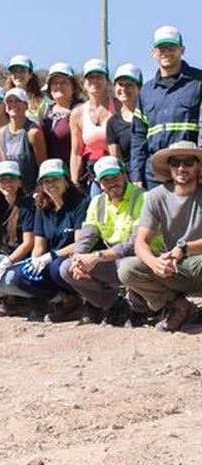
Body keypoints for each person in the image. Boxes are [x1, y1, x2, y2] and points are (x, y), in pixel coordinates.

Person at [118, 141, 202, 332]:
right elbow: (140, 242)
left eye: (188, 162)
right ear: (169, 167)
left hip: (197, 260)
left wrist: (184, 248)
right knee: (127, 269)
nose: (181, 168)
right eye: (175, 163)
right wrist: (154, 263)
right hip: (174, 266)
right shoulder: (156, 196)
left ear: (198, 166)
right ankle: (179, 306)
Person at [59, 156, 147, 326]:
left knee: (127, 268)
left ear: (124, 174)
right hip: (112, 258)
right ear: (99, 184)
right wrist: (78, 258)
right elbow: (87, 237)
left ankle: (140, 309)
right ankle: (114, 305)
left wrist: (97, 257)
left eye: (115, 176)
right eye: (105, 179)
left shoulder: (142, 198)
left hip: (141, 257)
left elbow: (134, 243)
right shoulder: (97, 202)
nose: (111, 183)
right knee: (67, 268)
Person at [11, 159, 88, 321]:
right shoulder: (42, 207)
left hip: (71, 258)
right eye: (46, 181)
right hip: (51, 259)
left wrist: (51, 256)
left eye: (55, 179)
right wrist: (34, 262)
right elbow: (39, 245)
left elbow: (81, 243)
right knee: (19, 276)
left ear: (66, 180)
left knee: (55, 268)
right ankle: (63, 301)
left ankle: (81, 299)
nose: (51, 184)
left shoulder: (80, 203)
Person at [129, 25, 202, 190]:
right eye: (162, 47)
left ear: (182, 50)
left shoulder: (198, 82)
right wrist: (136, 175)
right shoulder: (146, 91)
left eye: (171, 47)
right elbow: (138, 137)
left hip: (190, 171)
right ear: (153, 52)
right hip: (155, 175)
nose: (166, 52)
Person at [0, 161, 37, 317]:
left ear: (19, 182)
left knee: (9, 279)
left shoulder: (27, 205)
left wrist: (7, 262)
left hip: (27, 258)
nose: (7, 183)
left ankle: (32, 298)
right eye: (2, 180)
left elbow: (28, 243)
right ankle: (7, 301)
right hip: (9, 255)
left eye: (11, 179)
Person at [69, 58, 114, 193]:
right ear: (84, 83)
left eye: (99, 77)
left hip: (118, 171)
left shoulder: (118, 107)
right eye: (90, 77)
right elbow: (76, 152)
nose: (94, 81)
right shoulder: (77, 113)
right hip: (94, 174)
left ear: (107, 81)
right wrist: (75, 183)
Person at [0, 87, 46, 192]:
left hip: (31, 191)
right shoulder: (1, 133)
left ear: (26, 105)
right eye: (9, 101)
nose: (13, 104)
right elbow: (4, 165)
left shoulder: (33, 133)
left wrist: (39, 191)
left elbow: (42, 165)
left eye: (18, 101)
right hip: (11, 190)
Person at [40, 62, 83, 167]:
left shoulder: (82, 111)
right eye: (54, 83)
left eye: (64, 82)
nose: (59, 86)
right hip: (49, 174)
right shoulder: (44, 112)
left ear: (73, 87)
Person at [107, 63, 143, 170]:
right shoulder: (113, 122)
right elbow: (116, 159)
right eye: (120, 84)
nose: (124, 89)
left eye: (129, 85)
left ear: (139, 88)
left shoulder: (149, 115)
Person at [5, 55, 48, 121]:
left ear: (30, 75)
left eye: (22, 71)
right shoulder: (4, 99)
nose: (18, 74)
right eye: (14, 71)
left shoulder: (41, 102)